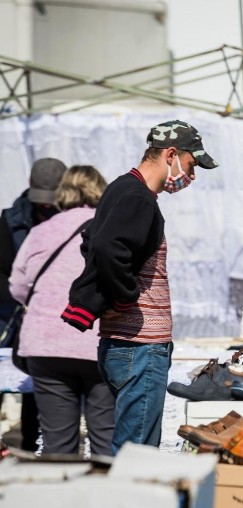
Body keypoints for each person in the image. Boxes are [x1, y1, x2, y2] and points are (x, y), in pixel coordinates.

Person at [61, 120, 218, 453]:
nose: (192, 176)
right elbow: (104, 248)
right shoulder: (138, 197)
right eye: (191, 165)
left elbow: (93, 241)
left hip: (125, 343)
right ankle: (126, 505)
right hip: (139, 346)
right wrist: (125, 296)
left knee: (129, 446)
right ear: (171, 154)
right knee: (137, 453)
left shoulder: (122, 189)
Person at [10, 166, 114, 456]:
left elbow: (18, 286)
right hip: (96, 342)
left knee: (58, 444)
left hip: (44, 345)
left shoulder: (41, 231)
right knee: (106, 438)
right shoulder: (110, 229)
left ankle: (60, 499)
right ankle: (109, 498)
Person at [0, 157, 67, 452]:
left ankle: (30, 444)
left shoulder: (72, 217)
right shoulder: (10, 220)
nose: (45, 207)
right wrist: (19, 300)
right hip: (10, 314)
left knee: (38, 383)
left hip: (49, 315)